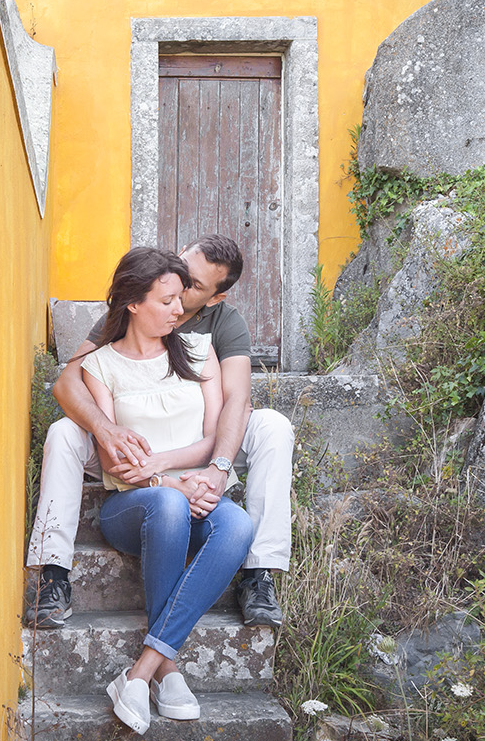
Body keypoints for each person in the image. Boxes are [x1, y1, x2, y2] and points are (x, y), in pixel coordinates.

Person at [26, 234, 293, 630]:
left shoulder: (221, 324)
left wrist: (218, 467)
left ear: (215, 298)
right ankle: (53, 574)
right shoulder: (144, 297)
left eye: (194, 286)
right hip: (129, 436)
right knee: (65, 432)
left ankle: (258, 574)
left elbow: (237, 400)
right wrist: (106, 429)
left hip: (206, 425)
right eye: (182, 269)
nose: (181, 286)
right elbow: (68, 382)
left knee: (274, 425)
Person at [68, 247, 255, 733]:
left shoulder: (196, 350)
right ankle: (165, 669)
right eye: (168, 300)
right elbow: (116, 463)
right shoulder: (101, 366)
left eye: (182, 299)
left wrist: (193, 474)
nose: (180, 310)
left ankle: (146, 669)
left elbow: (215, 435)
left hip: (195, 489)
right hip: (133, 508)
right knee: (169, 504)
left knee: (237, 525)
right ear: (133, 302)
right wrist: (171, 483)